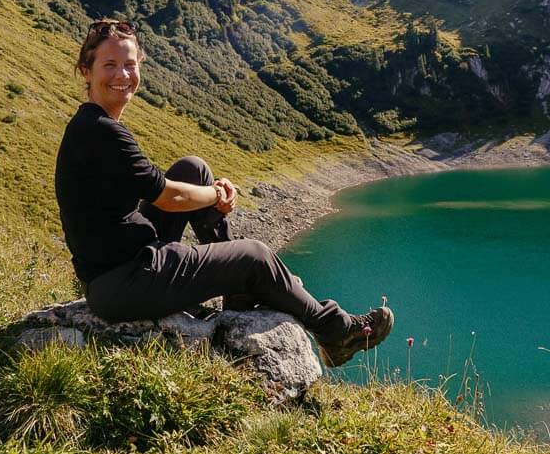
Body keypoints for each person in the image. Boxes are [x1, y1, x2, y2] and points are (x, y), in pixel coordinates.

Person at [54, 19, 393, 366]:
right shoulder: (101, 131)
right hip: (123, 283)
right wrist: (216, 195)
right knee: (255, 255)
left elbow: (158, 188)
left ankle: (240, 292)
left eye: (129, 64)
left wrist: (208, 189)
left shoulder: (94, 124)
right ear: (86, 70)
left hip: (125, 263)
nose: (122, 75)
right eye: (109, 65)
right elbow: (168, 197)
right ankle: (336, 332)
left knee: (193, 167)